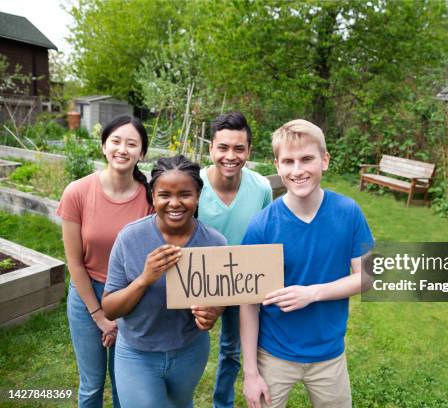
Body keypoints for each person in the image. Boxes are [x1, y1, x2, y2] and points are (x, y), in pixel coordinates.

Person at [240, 119, 374, 408]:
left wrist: (312, 293)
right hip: (273, 353)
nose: (298, 170)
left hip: (329, 354)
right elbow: (248, 304)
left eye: (307, 159)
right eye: (288, 161)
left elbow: (368, 276)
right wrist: (250, 373)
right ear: (277, 166)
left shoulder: (348, 213)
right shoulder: (262, 226)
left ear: (324, 160)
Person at [102, 155, 226, 408]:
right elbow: (110, 308)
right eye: (164, 195)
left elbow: (219, 298)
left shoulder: (215, 243)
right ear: (153, 195)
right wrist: (144, 279)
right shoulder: (130, 238)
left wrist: (212, 313)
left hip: (189, 351)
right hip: (137, 352)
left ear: (198, 195)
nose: (174, 203)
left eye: (185, 194)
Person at [57, 115, 152, 408]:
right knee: (91, 385)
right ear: (103, 146)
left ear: (142, 153)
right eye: (116, 141)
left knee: (126, 384)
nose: (123, 149)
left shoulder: (150, 196)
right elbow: (74, 263)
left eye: (132, 144)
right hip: (87, 296)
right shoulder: (77, 192)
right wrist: (99, 315)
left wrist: (120, 313)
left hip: (132, 296)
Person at [197, 111, 272, 408]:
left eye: (239, 149)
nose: (231, 156)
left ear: (249, 151)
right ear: (211, 149)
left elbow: (267, 235)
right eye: (223, 148)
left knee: (231, 350)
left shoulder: (262, 188)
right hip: (199, 281)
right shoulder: (196, 184)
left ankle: (222, 403)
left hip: (243, 284)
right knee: (189, 345)